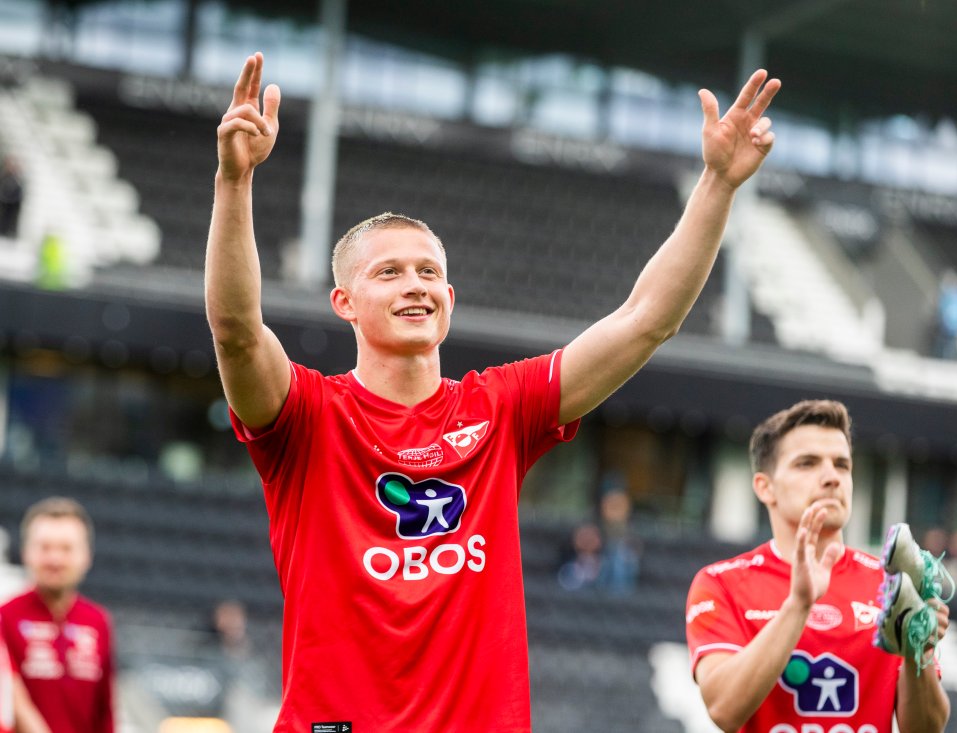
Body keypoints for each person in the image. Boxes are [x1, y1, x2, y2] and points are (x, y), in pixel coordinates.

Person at [207, 50, 780, 732]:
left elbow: (646, 319)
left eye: (428, 272)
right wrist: (234, 182)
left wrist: (716, 184)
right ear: (344, 301)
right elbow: (238, 332)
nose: (414, 283)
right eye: (388, 272)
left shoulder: (499, 406)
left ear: (448, 298)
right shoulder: (306, 415)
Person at [685, 400, 951, 732]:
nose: (831, 478)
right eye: (807, 463)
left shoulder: (892, 586)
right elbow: (724, 709)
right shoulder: (720, 583)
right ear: (764, 487)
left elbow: (926, 729)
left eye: (842, 465)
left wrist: (916, 653)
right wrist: (799, 605)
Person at [0, 497, 115, 733]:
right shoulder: (5, 618)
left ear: (87, 555)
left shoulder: (98, 622)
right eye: (45, 547)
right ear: (25, 552)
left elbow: (105, 714)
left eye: (66, 548)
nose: (55, 559)